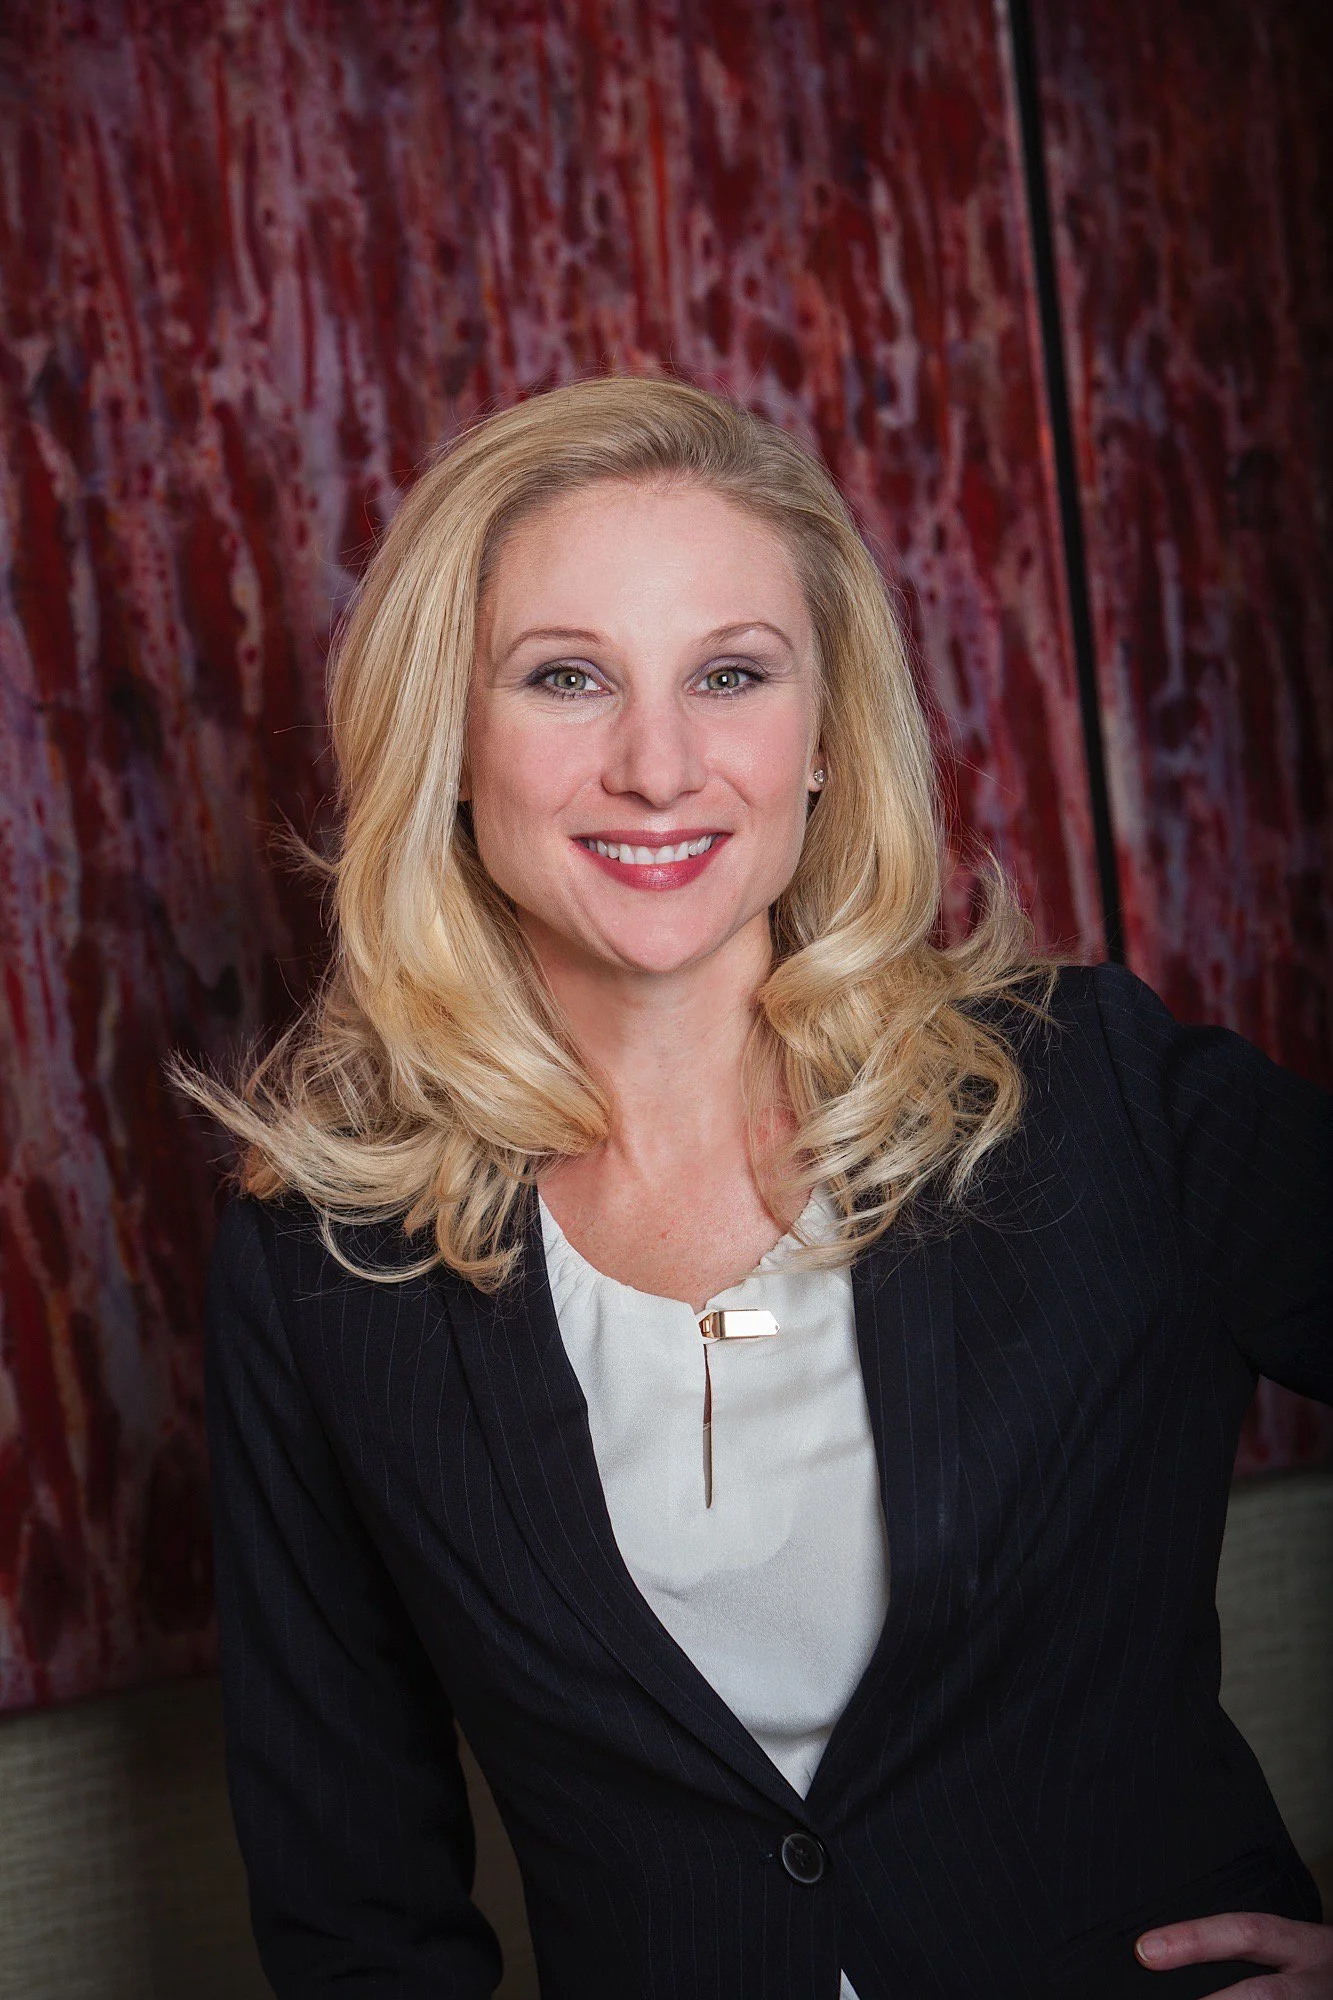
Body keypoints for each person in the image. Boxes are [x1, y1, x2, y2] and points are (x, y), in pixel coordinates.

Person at [175, 375, 1333, 1999]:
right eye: (566, 677)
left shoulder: (1098, 1095)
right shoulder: (317, 1262)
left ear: (819, 738)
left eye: (732, 675)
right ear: (446, 739)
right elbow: (352, 1903)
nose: (660, 767)